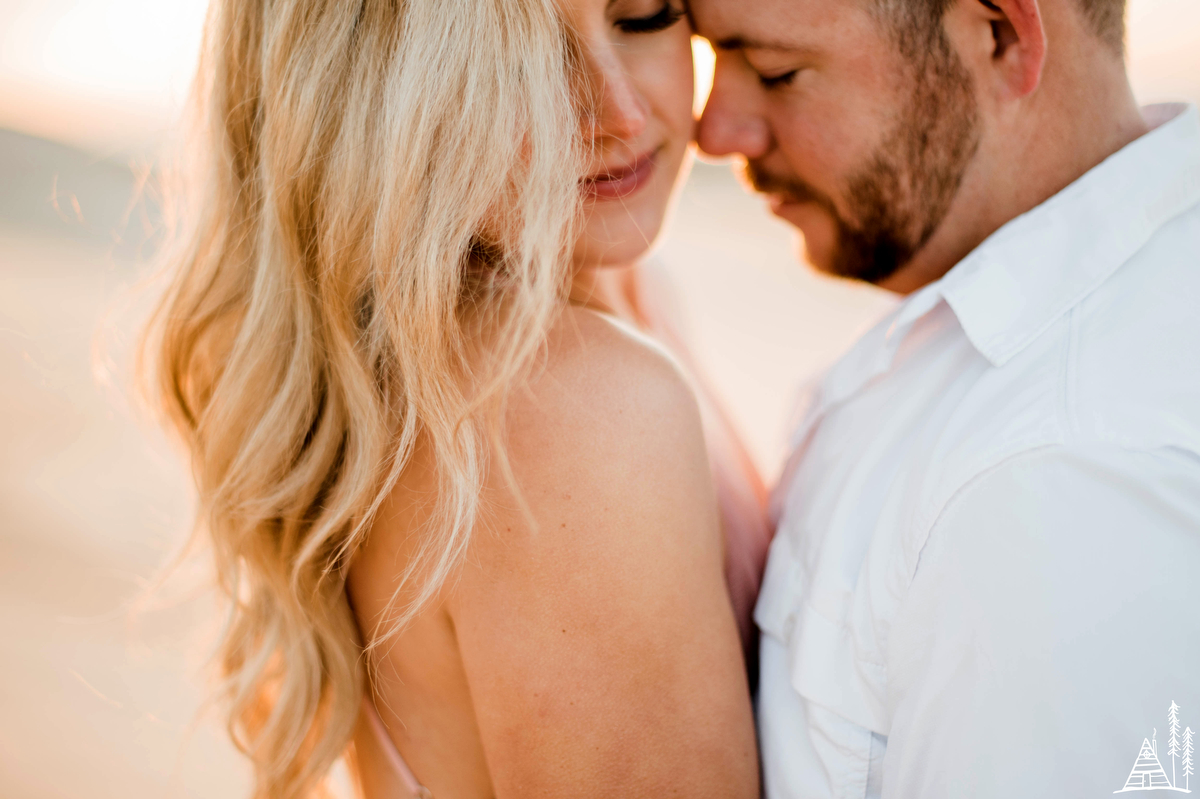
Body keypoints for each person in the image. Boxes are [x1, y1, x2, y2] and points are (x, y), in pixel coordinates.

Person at [141, 0, 763, 797]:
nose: (622, 110)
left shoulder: (621, 286)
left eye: (643, 16)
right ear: (366, 95)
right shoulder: (575, 408)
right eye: (515, 60)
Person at [690, 0, 1200, 795]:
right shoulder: (1016, 341)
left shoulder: (1065, 472)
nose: (717, 131)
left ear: (998, 35)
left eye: (774, 71)